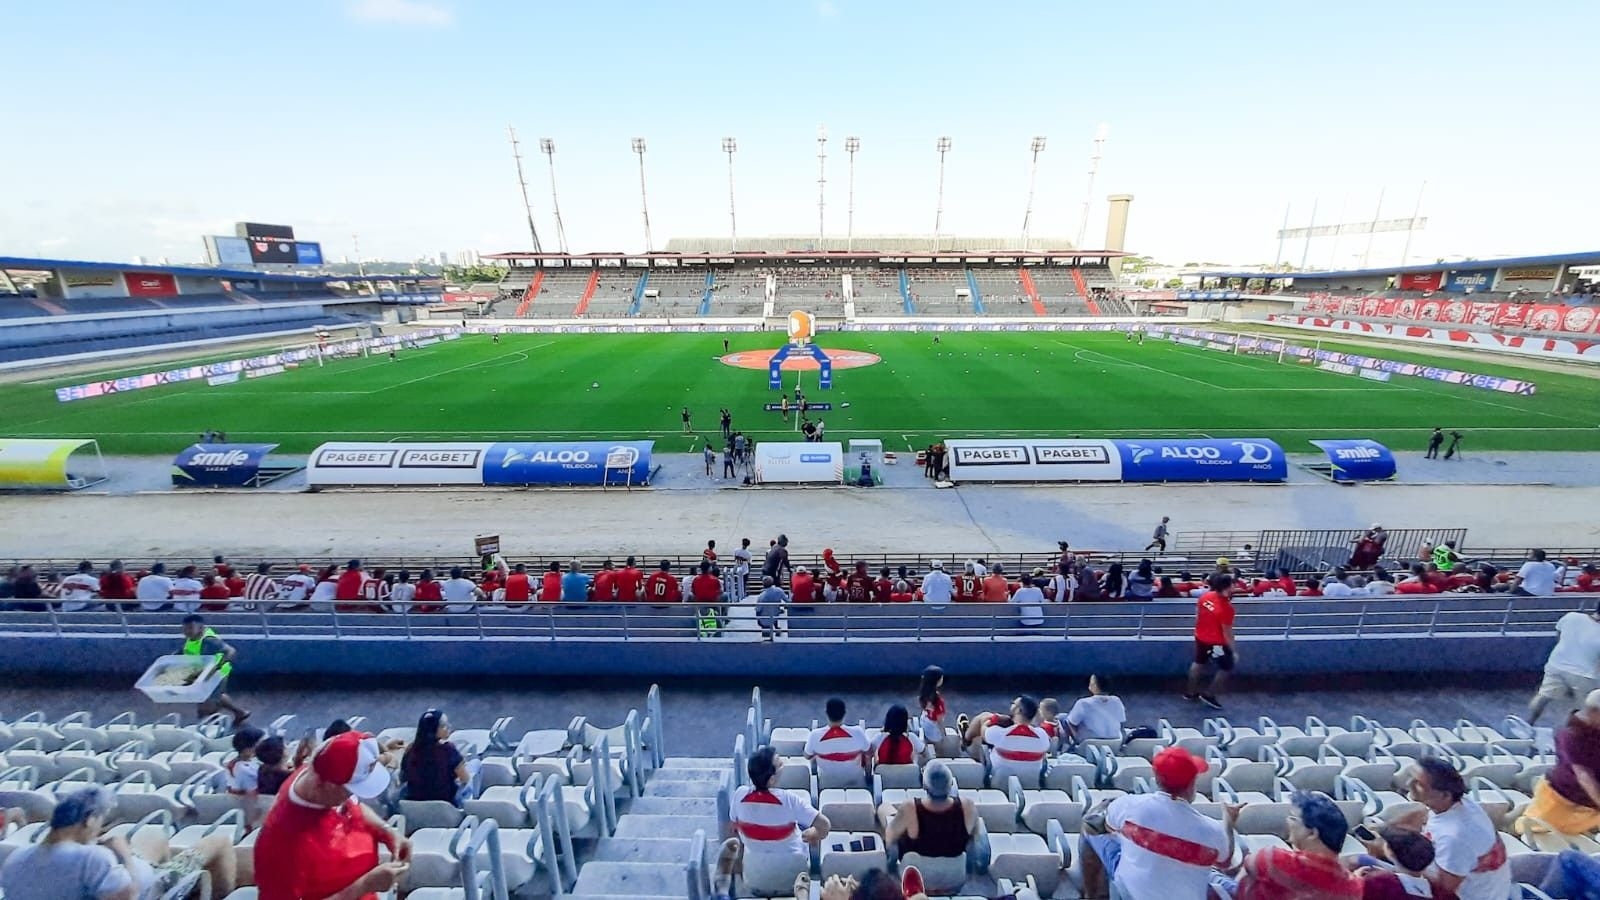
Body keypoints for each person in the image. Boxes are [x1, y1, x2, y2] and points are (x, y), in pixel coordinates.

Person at [0, 785, 238, 900]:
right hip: (142, 889)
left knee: (154, 836)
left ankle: (164, 875)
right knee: (219, 842)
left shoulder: (16, 859)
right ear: (89, 820)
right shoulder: (92, 858)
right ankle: (168, 884)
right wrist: (123, 855)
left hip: (120, 874)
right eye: (99, 821)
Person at [254, 731, 411, 900]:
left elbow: (355, 806)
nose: (352, 796)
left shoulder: (320, 776)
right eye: (350, 790)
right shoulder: (280, 845)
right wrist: (363, 886)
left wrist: (387, 831)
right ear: (324, 785)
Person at [1083, 747, 1237, 900]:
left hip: (1130, 893)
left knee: (1089, 823)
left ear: (1156, 778)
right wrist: (1228, 821)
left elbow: (1108, 828)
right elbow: (1225, 862)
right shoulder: (1212, 831)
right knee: (1212, 874)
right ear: (1192, 783)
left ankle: (1092, 895)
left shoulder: (1129, 805)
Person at [1382, 757, 1509, 900]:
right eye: (1411, 777)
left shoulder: (1454, 838)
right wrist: (1387, 831)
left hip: (1465, 895)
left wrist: (1396, 858)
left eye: (1418, 784)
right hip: (1444, 872)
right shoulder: (1457, 803)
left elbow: (1444, 891)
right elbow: (1423, 814)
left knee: (1373, 879)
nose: (1408, 784)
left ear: (1444, 795)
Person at [729, 747, 830, 891]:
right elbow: (825, 825)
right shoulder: (790, 800)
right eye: (779, 763)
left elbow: (733, 829)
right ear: (772, 779)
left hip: (755, 876)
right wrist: (814, 834)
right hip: (793, 877)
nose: (783, 763)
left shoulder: (739, 795)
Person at [1231, 791, 1359, 899]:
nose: (1288, 821)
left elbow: (1239, 877)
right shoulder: (1353, 886)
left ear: (1312, 833)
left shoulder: (1272, 858)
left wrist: (1228, 825)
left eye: (1293, 818)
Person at [1519, 688, 1600, 835]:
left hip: (1588, 803)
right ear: (1594, 712)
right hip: (1560, 797)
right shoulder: (1570, 734)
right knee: (1531, 830)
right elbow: (1584, 776)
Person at [882, 761, 976, 878]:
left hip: (916, 879)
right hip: (955, 878)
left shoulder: (910, 808)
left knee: (884, 809)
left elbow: (890, 838)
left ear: (924, 785)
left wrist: (891, 866)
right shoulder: (968, 806)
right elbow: (976, 841)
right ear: (951, 784)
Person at [1530, 601, 1600, 724]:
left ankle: (1528, 723)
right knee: (1584, 708)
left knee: (1543, 696)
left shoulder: (1571, 617)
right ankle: (1571, 733)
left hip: (1556, 664)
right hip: (1585, 674)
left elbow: (1559, 636)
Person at [180, 614, 249, 724]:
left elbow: (230, 651)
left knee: (206, 702)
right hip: (203, 672)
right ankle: (240, 712)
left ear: (201, 627)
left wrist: (217, 667)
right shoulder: (192, 638)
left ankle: (211, 723)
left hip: (217, 672)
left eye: (190, 628)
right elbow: (187, 651)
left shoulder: (209, 640)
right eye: (184, 628)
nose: (186, 631)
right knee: (216, 695)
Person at [1354, 827, 1454, 900]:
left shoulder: (1379, 881)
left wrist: (1356, 878)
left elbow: (1353, 894)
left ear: (1390, 852)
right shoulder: (1440, 891)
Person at [400, 709, 475, 806]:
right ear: (435, 730)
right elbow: (465, 779)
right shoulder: (448, 750)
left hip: (415, 805)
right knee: (475, 765)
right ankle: (472, 805)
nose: (448, 727)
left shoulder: (410, 750)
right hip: (446, 807)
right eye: (444, 725)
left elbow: (403, 777)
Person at [1185, 574, 1236, 711]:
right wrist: (1233, 651)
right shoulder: (1226, 608)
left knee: (1198, 663)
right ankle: (1209, 694)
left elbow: (1198, 615)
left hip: (1200, 636)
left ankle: (1190, 693)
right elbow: (1227, 632)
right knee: (1226, 667)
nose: (1234, 586)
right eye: (1232, 584)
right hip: (1216, 643)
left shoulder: (1205, 596)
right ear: (1227, 587)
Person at [979, 695, 1051, 785]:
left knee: (981, 724)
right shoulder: (1042, 736)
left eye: (1013, 703)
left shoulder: (1001, 733)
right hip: (1030, 786)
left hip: (999, 783)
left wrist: (994, 719)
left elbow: (983, 730)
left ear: (1018, 710)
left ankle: (965, 739)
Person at [805, 698, 869, 781]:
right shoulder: (858, 732)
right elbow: (868, 752)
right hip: (856, 783)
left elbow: (807, 756)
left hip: (826, 785)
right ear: (845, 713)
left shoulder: (815, 735)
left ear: (826, 713)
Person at [1065, 674, 1126, 743]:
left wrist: (1077, 739)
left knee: (1063, 718)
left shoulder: (1083, 703)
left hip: (1089, 744)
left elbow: (1071, 723)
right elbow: (1121, 722)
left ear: (1095, 686)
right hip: (1115, 742)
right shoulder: (1117, 701)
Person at [917, 666, 947, 745]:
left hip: (924, 721)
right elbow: (939, 719)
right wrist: (943, 734)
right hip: (933, 728)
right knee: (940, 742)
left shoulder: (924, 694)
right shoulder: (938, 700)